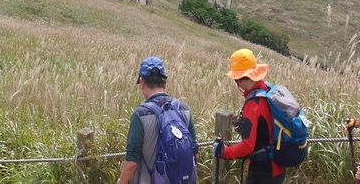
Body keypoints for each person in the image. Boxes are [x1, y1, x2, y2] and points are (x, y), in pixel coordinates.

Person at [117, 56, 197, 184]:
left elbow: (132, 162)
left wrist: (122, 182)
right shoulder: (184, 109)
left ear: (142, 83)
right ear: (164, 82)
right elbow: (194, 153)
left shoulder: (140, 114)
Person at [213, 49, 284, 184]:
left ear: (240, 78)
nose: (236, 84)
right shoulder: (267, 90)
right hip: (278, 167)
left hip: (263, 171)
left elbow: (247, 146)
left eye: (235, 79)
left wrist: (224, 152)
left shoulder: (253, 104)